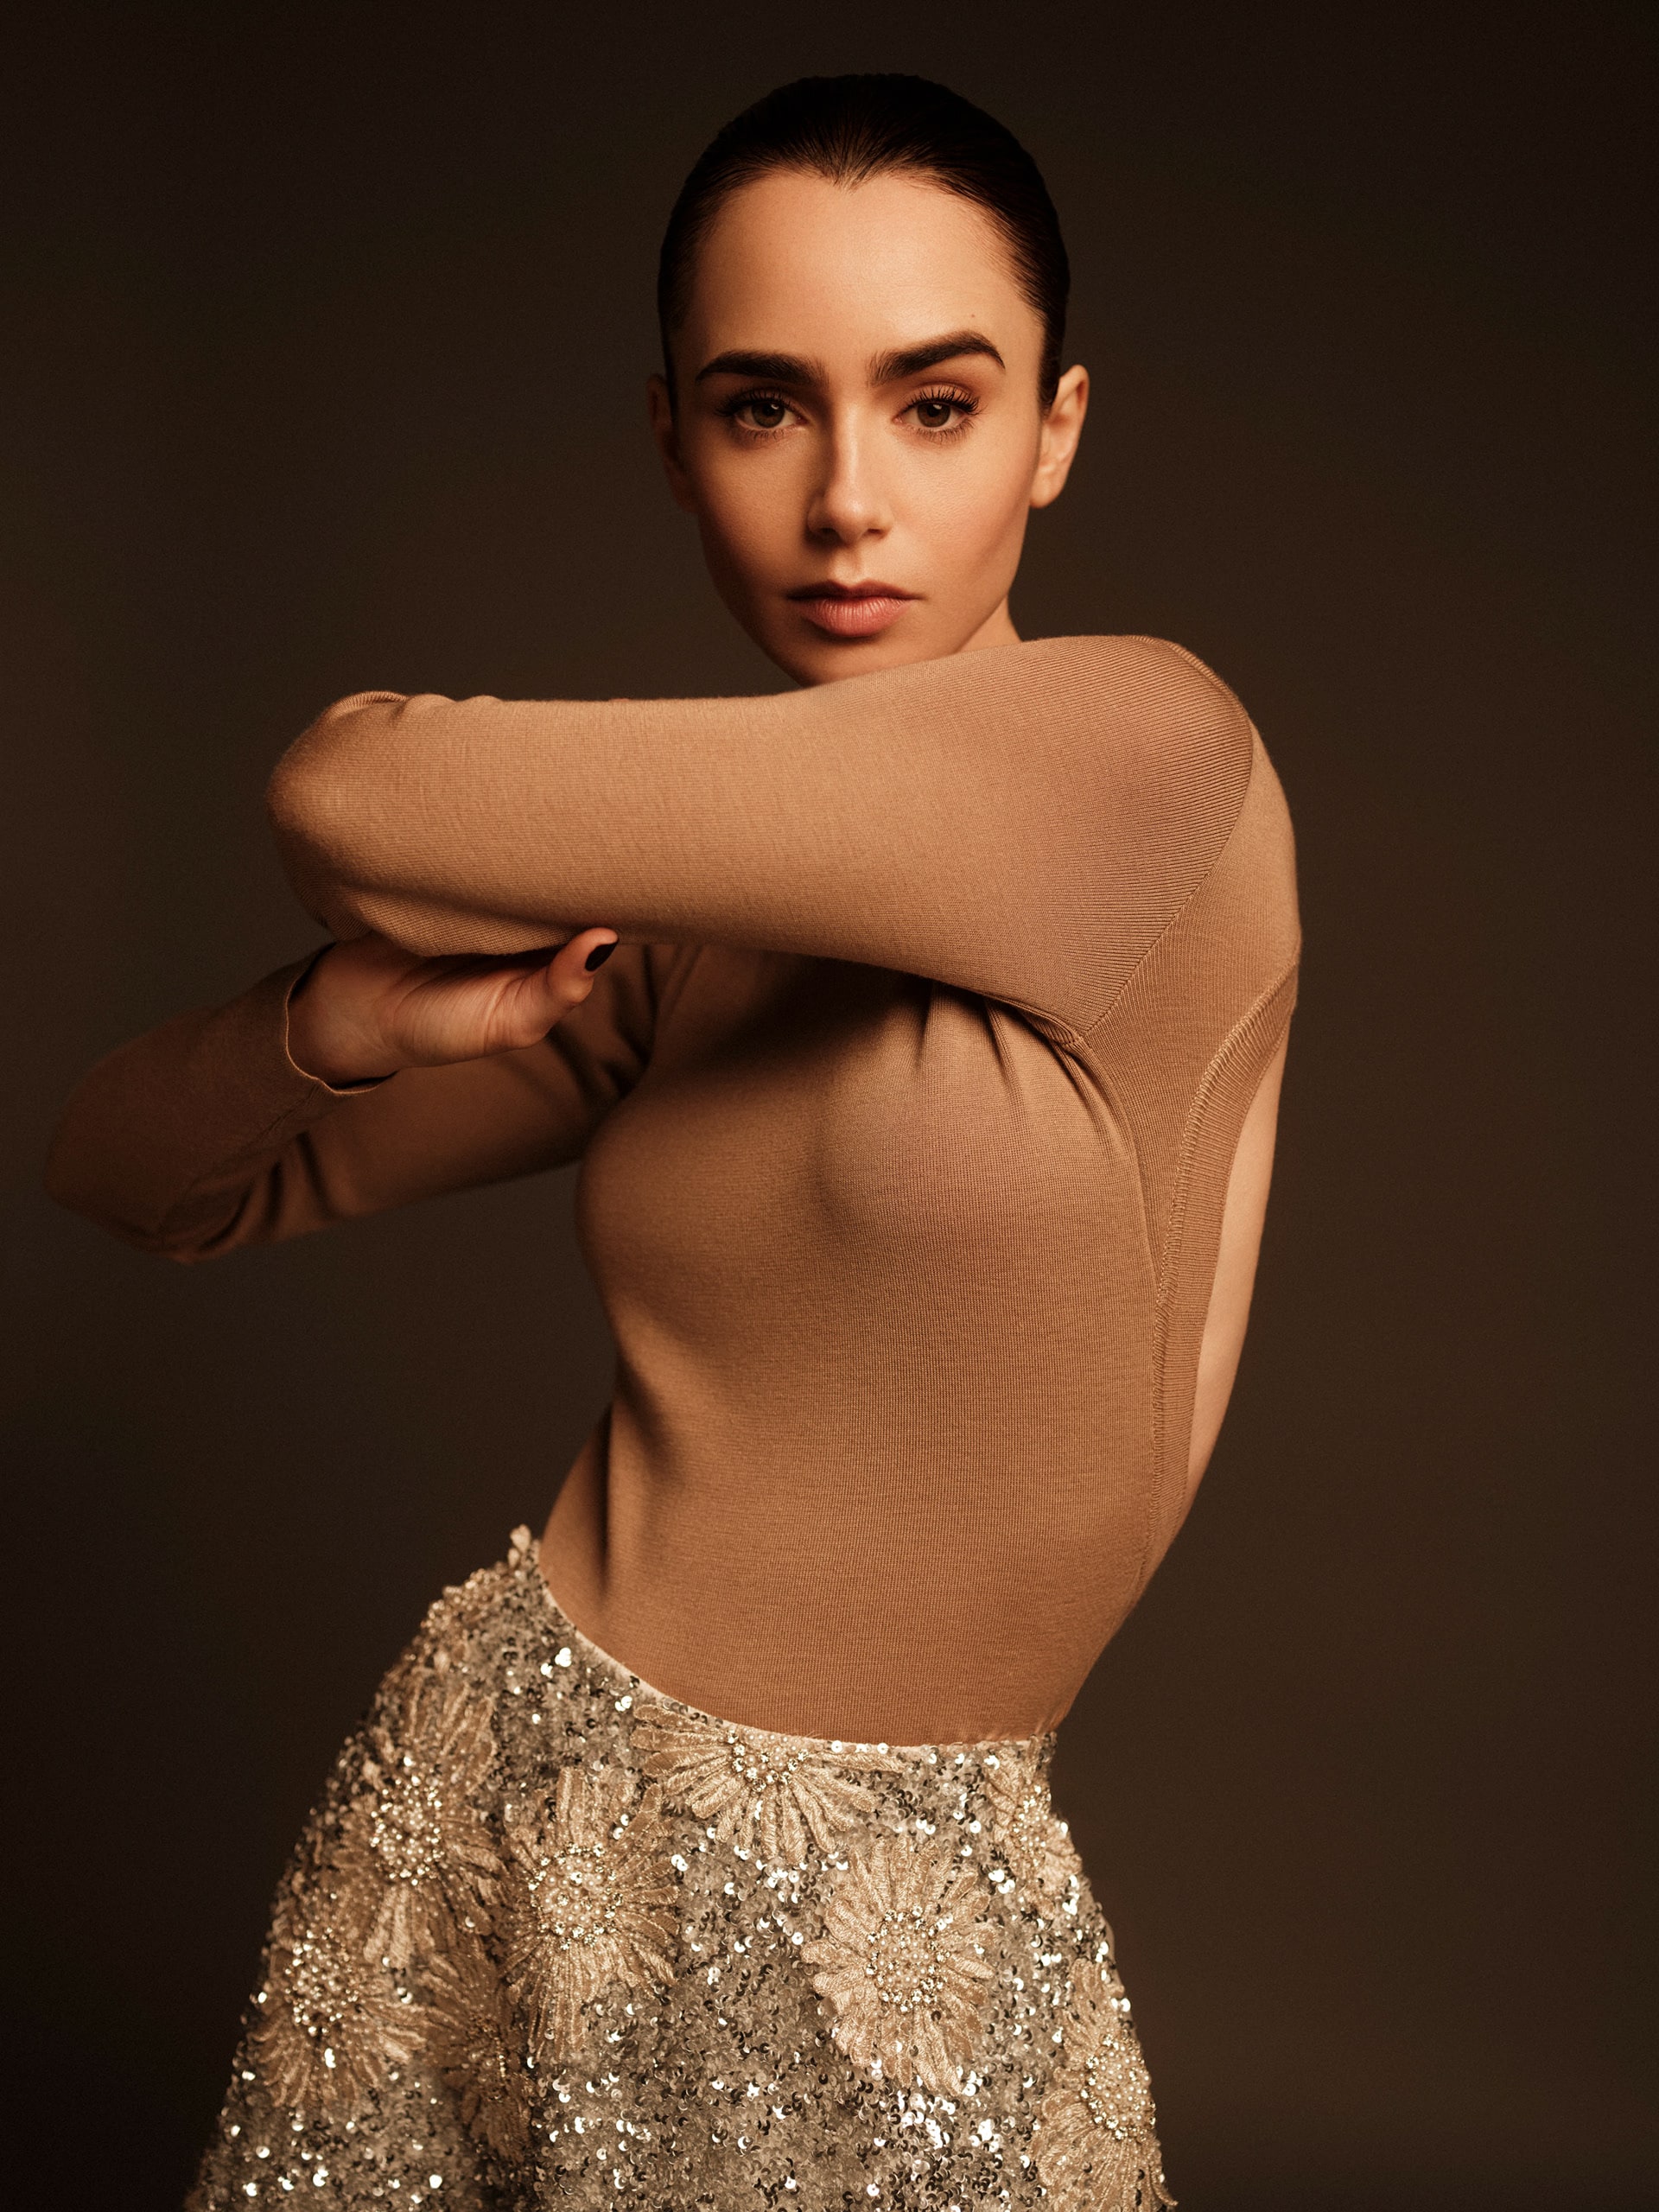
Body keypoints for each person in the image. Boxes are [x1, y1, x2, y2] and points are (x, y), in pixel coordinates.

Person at [47, 73, 1299, 2212]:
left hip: (881, 1959)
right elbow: (133, 1172)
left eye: (935, 404)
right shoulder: (697, 933)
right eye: (760, 406)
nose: (845, 503)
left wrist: (394, 836)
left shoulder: (1146, 758)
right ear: (671, 438)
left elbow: (349, 790)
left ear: (1057, 428)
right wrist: (342, 1023)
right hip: (493, 1841)